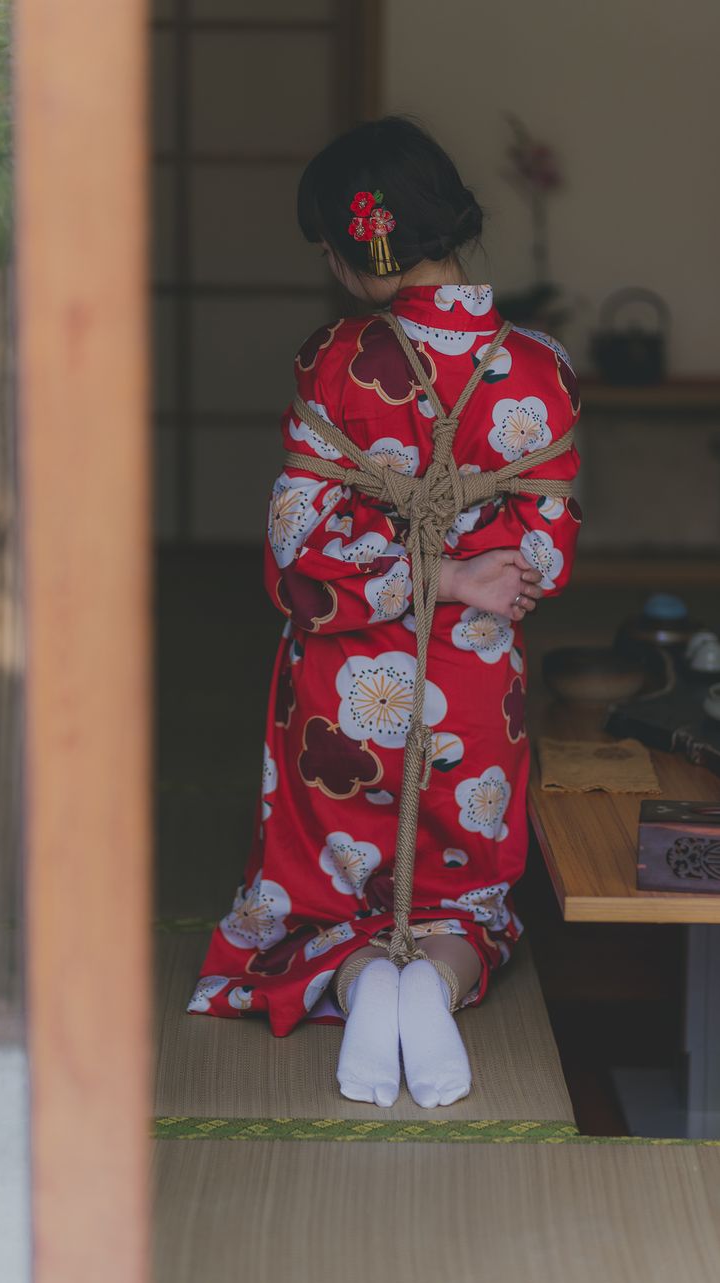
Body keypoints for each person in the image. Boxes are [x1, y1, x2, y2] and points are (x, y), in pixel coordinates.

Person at [186, 115, 582, 1110]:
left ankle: (362, 983)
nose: (328, 266)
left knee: (319, 898)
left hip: (346, 685)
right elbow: (541, 558)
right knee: (463, 898)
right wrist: (470, 581)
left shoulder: (335, 356)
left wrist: (422, 575)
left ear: (362, 247)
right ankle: (432, 990)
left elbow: (297, 554)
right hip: (470, 687)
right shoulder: (538, 367)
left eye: (328, 246)